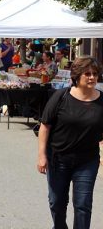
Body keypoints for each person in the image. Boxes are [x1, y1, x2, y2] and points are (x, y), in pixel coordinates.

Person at [37, 56, 103, 229]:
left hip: (87, 161)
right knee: (56, 202)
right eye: (87, 73)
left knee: (83, 205)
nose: (92, 77)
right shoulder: (61, 96)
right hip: (58, 158)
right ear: (77, 76)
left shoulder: (102, 101)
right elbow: (45, 126)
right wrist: (42, 155)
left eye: (95, 74)